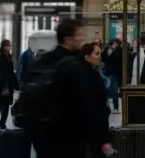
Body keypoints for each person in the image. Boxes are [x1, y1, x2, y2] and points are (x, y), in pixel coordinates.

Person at [25, 19, 100, 158]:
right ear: (68, 39)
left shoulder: (43, 60)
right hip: (68, 135)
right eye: (79, 35)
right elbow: (85, 102)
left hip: (42, 132)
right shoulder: (75, 65)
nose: (82, 38)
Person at [80, 43, 113, 157]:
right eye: (96, 53)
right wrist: (103, 138)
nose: (99, 56)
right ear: (87, 57)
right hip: (92, 132)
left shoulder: (93, 73)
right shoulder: (87, 76)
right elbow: (94, 107)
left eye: (100, 53)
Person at [104, 38, 123, 110]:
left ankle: (116, 107)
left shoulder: (119, 51)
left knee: (115, 89)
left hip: (118, 72)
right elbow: (106, 58)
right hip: (114, 72)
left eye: (116, 43)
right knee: (114, 89)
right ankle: (116, 107)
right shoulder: (110, 50)